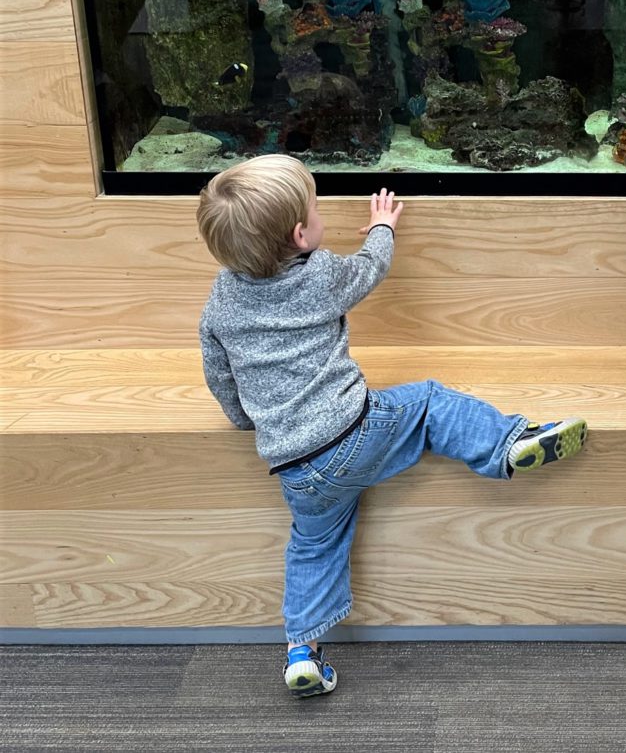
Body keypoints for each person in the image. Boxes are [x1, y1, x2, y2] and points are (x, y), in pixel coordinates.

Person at [196, 155, 588, 697]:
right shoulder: (321, 275)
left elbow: (219, 373)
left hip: (293, 468)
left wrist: (246, 421)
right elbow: (370, 269)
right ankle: (506, 443)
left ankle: (301, 651)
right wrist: (382, 227)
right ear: (300, 234)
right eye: (315, 207)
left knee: (313, 546)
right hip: (356, 432)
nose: (319, 213)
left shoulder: (221, 298)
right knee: (426, 400)